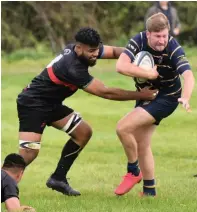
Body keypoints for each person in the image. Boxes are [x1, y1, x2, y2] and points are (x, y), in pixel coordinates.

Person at [16, 27, 158, 196]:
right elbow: (106, 92)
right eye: (91, 51)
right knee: (29, 153)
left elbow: (113, 51)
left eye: (97, 49)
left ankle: (58, 178)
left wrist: (135, 54)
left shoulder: (85, 50)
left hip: (51, 104)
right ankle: (4, 181)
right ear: (78, 48)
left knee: (83, 132)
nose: (95, 54)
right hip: (33, 104)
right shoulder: (72, 68)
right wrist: (141, 94)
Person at [114, 13, 195, 197]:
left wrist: (186, 96)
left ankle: (133, 172)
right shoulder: (138, 40)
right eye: (158, 36)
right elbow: (121, 66)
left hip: (168, 98)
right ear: (148, 34)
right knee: (142, 142)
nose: (162, 40)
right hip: (147, 93)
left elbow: (189, 76)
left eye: (165, 36)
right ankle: (149, 191)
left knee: (123, 128)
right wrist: (149, 75)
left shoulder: (174, 49)